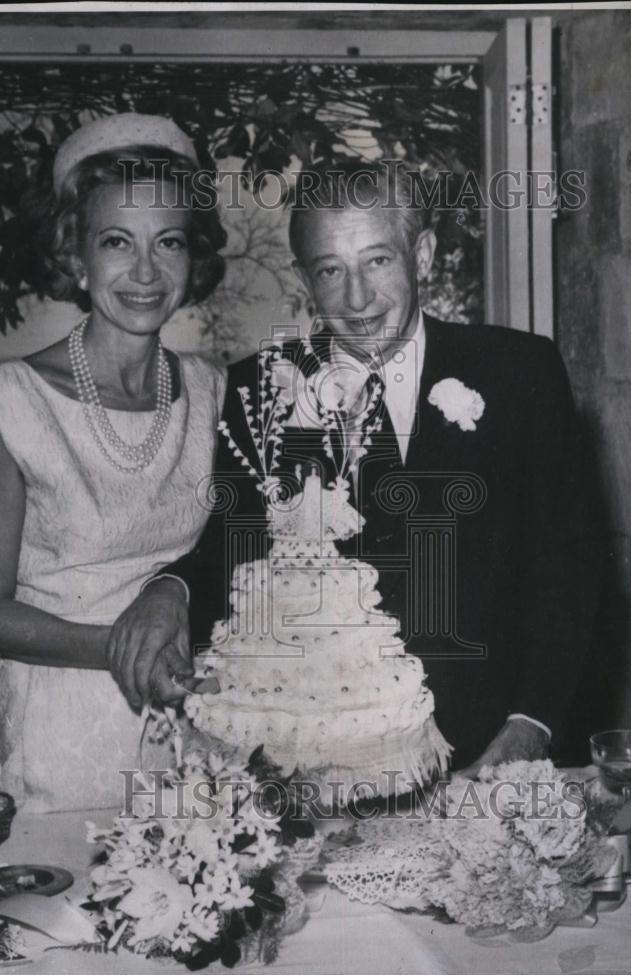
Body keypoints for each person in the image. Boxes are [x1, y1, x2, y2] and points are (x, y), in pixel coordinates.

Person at [111, 159, 602, 775]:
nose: (358, 298)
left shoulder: (519, 372)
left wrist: (532, 724)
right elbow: (231, 553)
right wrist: (171, 588)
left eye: (377, 261)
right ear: (304, 280)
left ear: (420, 256)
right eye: (330, 270)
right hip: (320, 773)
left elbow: (570, 572)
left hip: (492, 758)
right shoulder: (259, 390)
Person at [0, 114, 227, 811]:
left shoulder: (215, 389)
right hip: (65, 728)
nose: (144, 271)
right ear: (75, 257)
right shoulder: (8, 402)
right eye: (116, 243)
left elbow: (233, 552)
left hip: (198, 714)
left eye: (167, 242)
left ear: (192, 258)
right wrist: (125, 648)